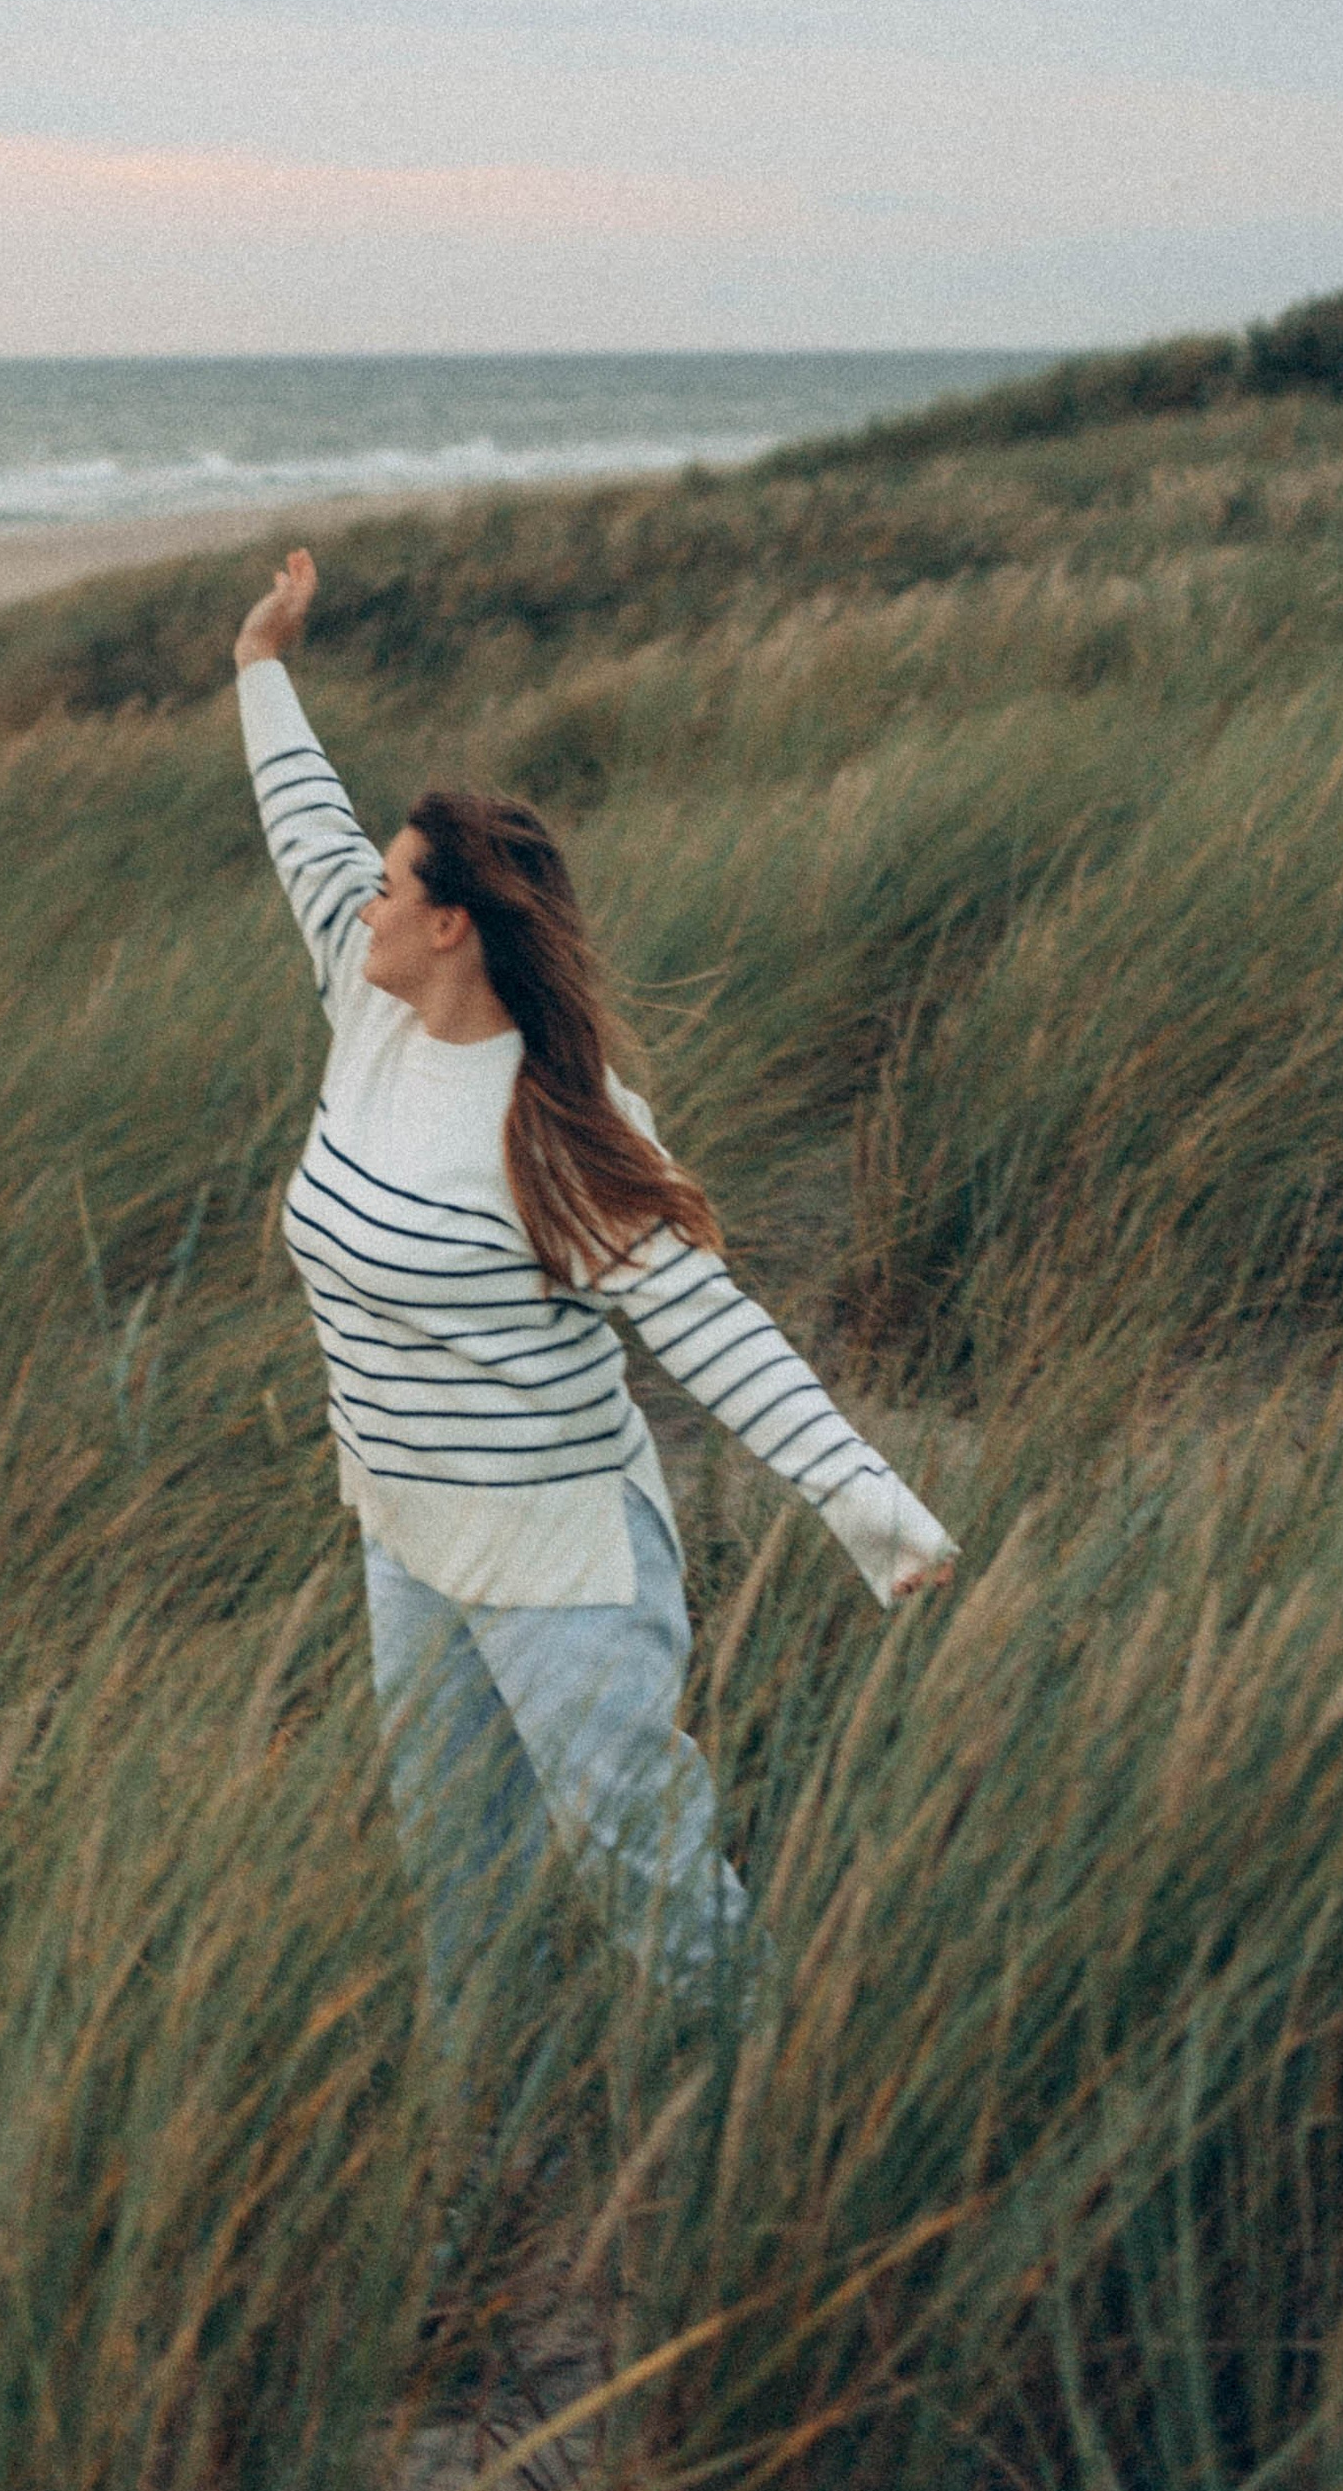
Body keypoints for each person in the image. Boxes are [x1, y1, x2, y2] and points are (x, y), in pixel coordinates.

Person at [235, 545, 956, 2015]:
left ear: (451, 926)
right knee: (462, 1885)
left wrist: (868, 1501)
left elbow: (718, 1332)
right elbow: (306, 824)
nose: (358, 905)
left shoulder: (562, 1126)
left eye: (391, 893)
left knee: (647, 1875)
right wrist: (262, 663)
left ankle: (769, 2103)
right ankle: (487, 2155)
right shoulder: (365, 1004)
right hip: (409, 1537)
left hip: (561, 1563)